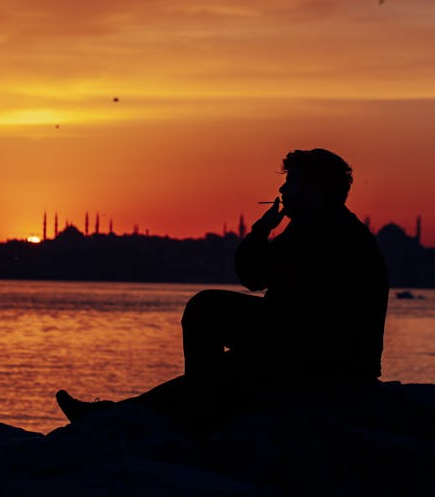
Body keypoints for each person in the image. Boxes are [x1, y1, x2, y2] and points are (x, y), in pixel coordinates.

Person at [56, 148, 389, 426]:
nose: (283, 191)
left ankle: (187, 415)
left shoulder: (325, 231)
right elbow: (261, 281)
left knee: (206, 310)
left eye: (292, 182)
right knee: (213, 376)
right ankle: (115, 415)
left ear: (315, 188)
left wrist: (260, 234)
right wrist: (263, 232)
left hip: (325, 359)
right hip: (314, 348)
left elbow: (255, 278)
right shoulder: (324, 227)